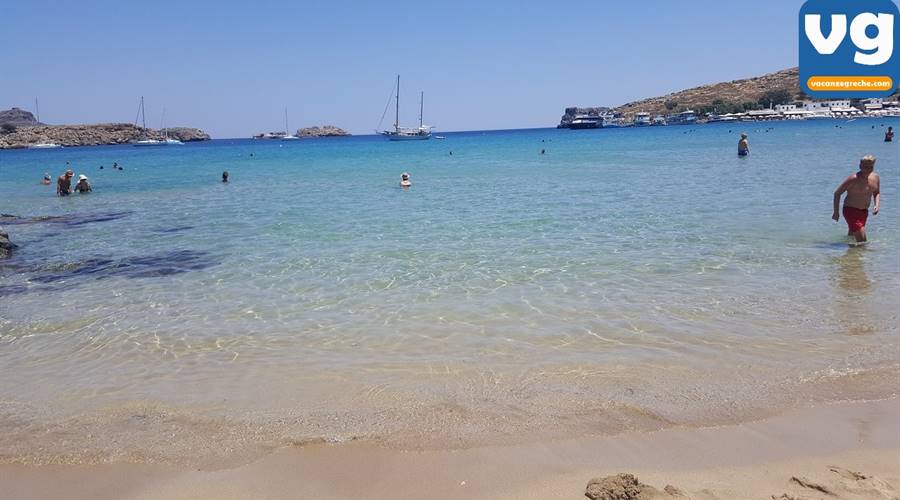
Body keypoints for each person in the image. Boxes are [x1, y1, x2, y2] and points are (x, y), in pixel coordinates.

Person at [833, 155, 881, 243]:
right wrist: (836, 212)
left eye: (871, 167)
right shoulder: (853, 179)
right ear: (860, 166)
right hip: (851, 211)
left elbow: (876, 192)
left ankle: (850, 255)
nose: (868, 169)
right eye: (865, 167)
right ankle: (861, 255)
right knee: (862, 241)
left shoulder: (875, 177)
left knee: (852, 237)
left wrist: (877, 205)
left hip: (864, 212)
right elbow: (837, 193)